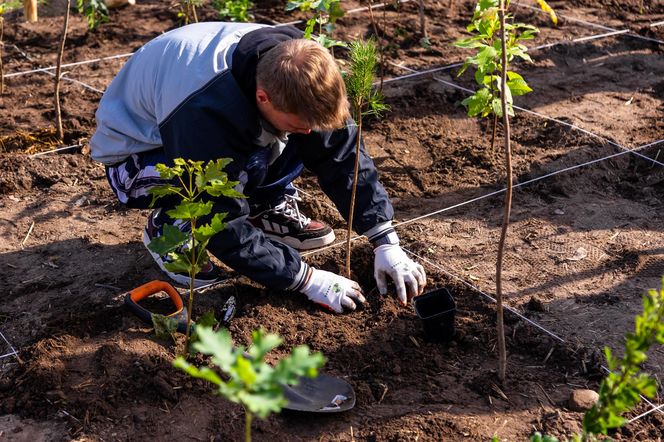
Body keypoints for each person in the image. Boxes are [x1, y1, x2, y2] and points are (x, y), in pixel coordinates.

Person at [90, 22, 426, 313]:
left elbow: (341, 153)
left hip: (220, 130)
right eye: (300, 122)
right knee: (217, 186)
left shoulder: (300, 68)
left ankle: (264, 206)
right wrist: (304, 279)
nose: (308, 131)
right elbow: (220, 218)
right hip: (140, 154)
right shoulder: (202, 112)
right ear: (263, 97)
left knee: (301, 136)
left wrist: (385, 239)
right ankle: (172, 227)